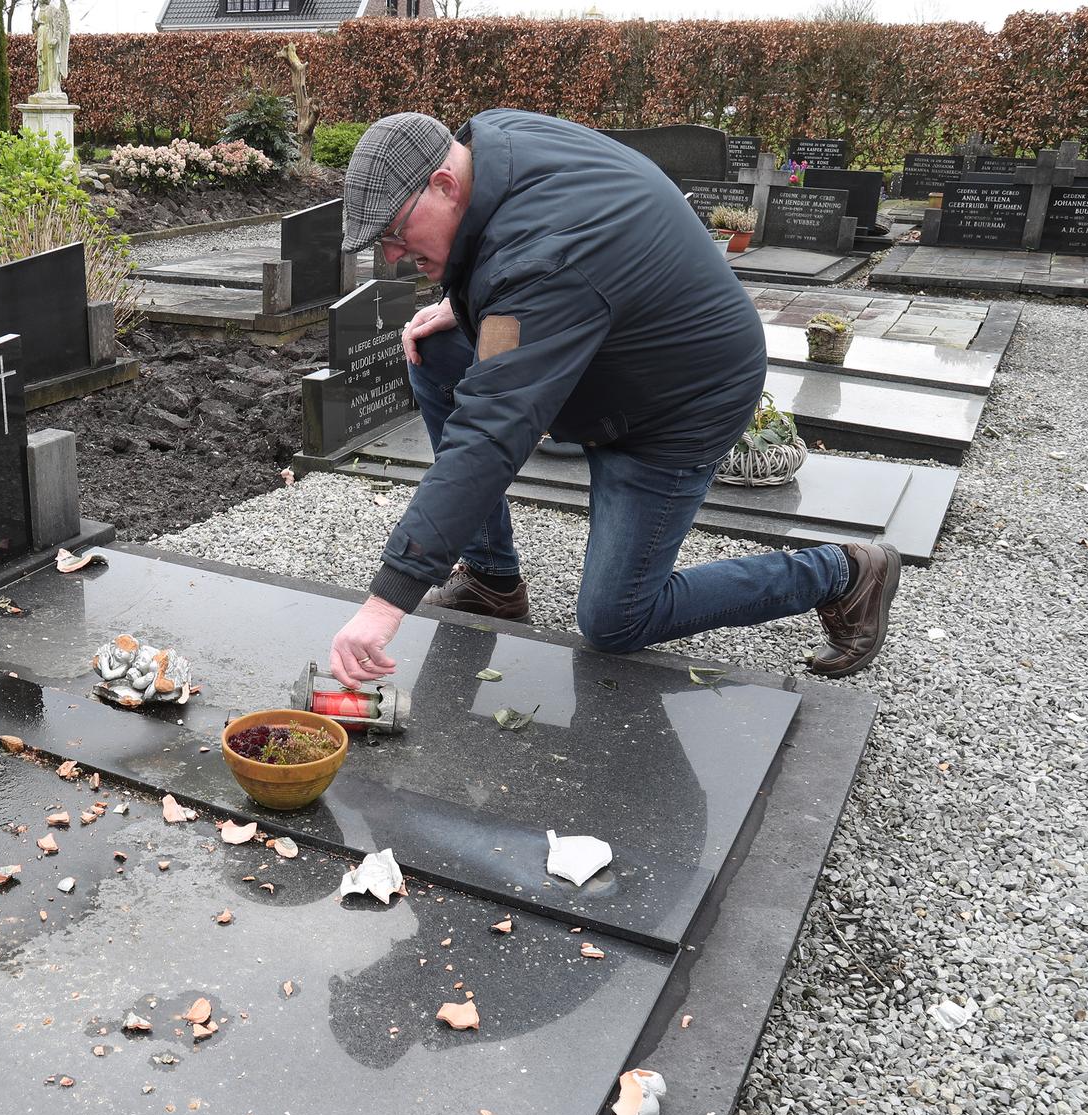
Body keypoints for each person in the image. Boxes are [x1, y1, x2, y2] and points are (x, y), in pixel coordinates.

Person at [325, 110, 901, 689]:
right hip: (616, 346)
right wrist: (473, 302)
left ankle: (841, 573)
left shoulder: (544, 258)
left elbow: (490, 433)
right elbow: (536, 260)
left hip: (680, 401)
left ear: (445, 184)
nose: (395, 254)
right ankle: (490, 578)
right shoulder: (491, 140)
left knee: (615, 620)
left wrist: (387, 601)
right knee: (436, 346)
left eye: (395, 233)